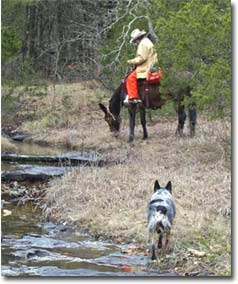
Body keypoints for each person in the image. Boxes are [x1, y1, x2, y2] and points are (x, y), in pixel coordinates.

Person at [124, 28, 158, 104]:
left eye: (135, 40)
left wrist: (130, 61)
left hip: (146, 67)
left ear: (137, 38)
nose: (135, 42)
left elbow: (141, 58)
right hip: (152, 64)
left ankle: (132, 97)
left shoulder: (142, 44)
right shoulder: (148, 41)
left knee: (130, 78)